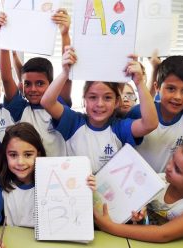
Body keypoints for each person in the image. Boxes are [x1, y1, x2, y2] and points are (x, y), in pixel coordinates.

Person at [0, 122, 96, 248]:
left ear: (38, 154)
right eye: (13, 155)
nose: (20, 162)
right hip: (16, 244)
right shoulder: (2, 184)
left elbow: (78, 211)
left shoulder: (56, 180)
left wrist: (86, 188)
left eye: (28, 155)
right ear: (5, 156)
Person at [40, 46, 158, 174]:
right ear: (84, 99)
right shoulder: (73, 122)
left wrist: (139, 82)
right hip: (76, 190)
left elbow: (150, 124)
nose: (100, 104)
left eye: (107, 98)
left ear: (117, 102)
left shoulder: (119, 128)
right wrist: (65, 73)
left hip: (108, 192)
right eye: (92, 97)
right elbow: (47, 102)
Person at [94, 140, 183, 242]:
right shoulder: (159, 180)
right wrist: (139, 219)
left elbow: (163, 234)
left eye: (177, 169)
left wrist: (109, 227)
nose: (169, 167)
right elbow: (142, 221)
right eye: (172, 159)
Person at [0, 9, 72, 156]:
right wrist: (3, 38)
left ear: (52, 84)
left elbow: (67, 72)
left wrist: (64, 34)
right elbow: (6, 78)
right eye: (28, 84)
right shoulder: (20, 109)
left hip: (56, 174)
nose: (33, 89)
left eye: (40, 83)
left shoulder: (60, 105)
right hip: (26, 174)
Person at [127, 55, 183, 173]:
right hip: (137, 184)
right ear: (157, 87)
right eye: (171, 88)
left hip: (173, 186)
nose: (177, 97)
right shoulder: (138, 112)